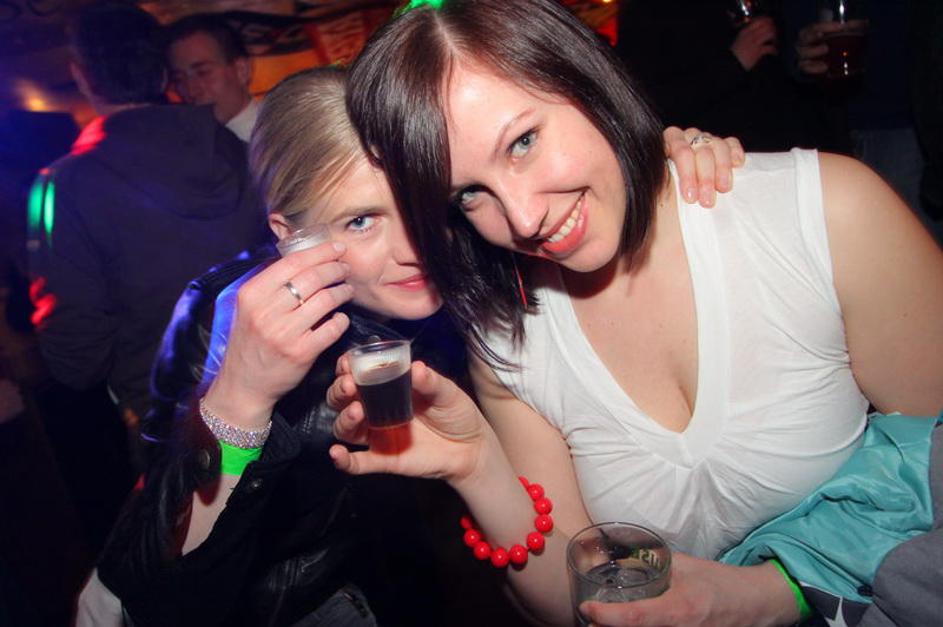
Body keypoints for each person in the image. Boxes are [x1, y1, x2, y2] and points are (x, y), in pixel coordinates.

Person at [326, 0, 943, 625]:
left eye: (523, 142)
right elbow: (574, 603)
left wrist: (775, 593)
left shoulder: (824, 214)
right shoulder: (509, 339)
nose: (523, 217)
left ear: (585, 79)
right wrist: (478, 466)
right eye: (469, 194)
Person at [76, 63, 743, 625]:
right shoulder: (227, 318)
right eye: (361, 220)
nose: (412, 248)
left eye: (420, 203)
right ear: (289, 234)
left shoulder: (484, 244)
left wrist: (663, 165)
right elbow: (163, 592)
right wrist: (240, 398)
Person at [27, 1, 267, 437]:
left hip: (181, 425)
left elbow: (77, 357)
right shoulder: (238, 148)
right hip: (282, 389)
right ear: (162, 76)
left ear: (81, 75)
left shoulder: (66, 186)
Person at [165, 13, 259, 142]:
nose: (191, 91)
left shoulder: (280, 139)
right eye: (179, 79)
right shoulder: (184, 143)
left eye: (203, 73)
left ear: (242, 70)